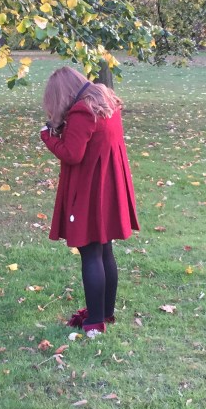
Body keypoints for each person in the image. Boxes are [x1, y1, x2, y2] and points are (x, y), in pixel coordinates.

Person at [40, 66, 139, 337]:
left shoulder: (83, 111)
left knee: (91, 251)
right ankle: (104, 312)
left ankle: (95, 322)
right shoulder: (105, 100)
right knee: (104, 249)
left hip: (91, 188)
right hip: (107, 184)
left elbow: (72, 154)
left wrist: (47, 136)